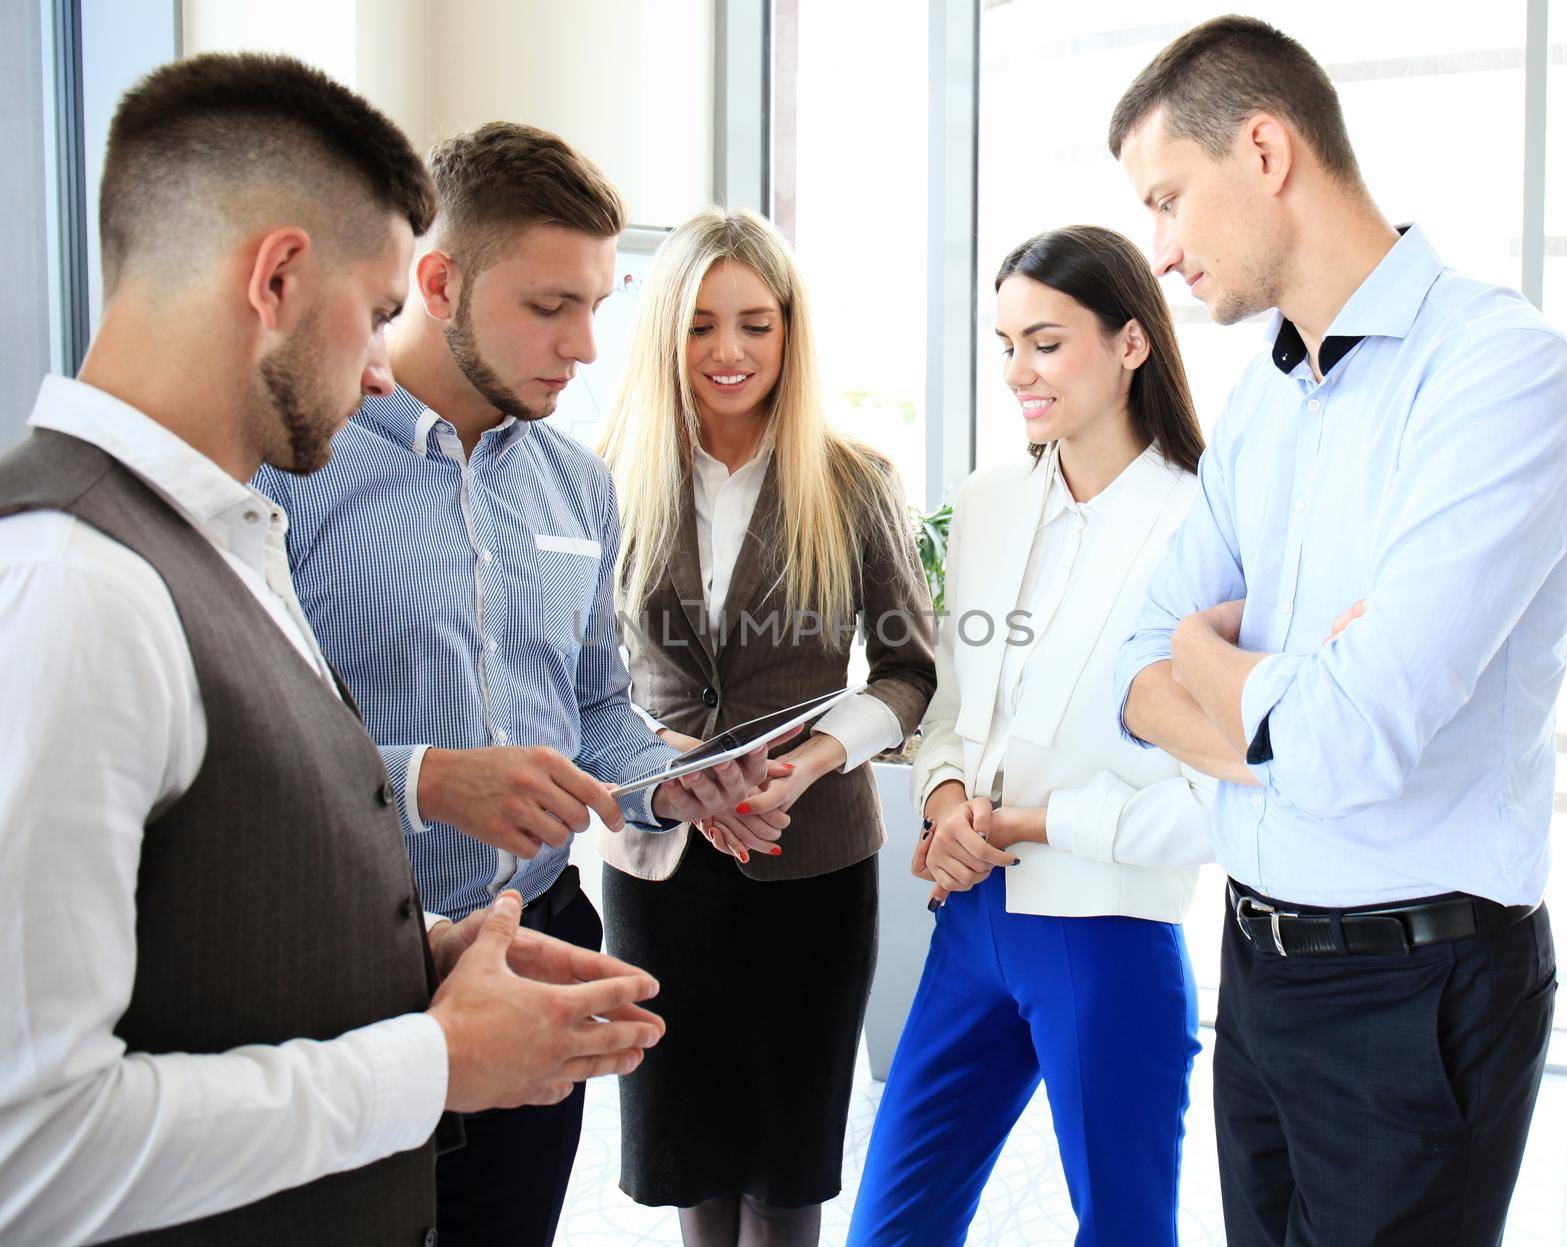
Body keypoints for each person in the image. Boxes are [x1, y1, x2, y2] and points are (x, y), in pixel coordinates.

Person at [0, 54, 666, 1246]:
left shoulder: (216, 536)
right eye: (375, 313)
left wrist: (430, 953)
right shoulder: (72, 584)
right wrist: (433, 1059)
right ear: (277, 279)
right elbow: (26, 1151)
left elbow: (225, 896)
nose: (376, 370)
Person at [1108, 17, 1567, 1246]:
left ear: (1264, 149)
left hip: (1419, 989)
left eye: (1168, 200)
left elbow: (1354, 736)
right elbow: (1128, 666)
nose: (1158, 253)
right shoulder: (1267, 399)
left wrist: (1214, 674)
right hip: (1258, 959)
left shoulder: (1500, 372)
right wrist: (1274, 693)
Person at [253, 122, 772, 1245]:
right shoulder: (292, 475)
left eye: (597, 301)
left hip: (540, 937)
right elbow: (248, 750)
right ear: (437, 283)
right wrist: (429, 779)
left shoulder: (577, 489)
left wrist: (671, 784)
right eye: (549, 306)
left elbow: (592, 708)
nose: (586, 344)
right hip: (352, 973)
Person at [846, 226, 1223, 1247]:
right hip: (970, 923)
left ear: (1133, 343)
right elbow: (954, 714)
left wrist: (1024, 819)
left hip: (1109, 937)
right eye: (1006, 341)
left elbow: (1211, 800)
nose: (1017, 370)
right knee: (888, 1227)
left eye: (1046, 342)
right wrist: (945, 803)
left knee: (1124, 1232)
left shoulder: (1205, 526)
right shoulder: (989, 500)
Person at [593, 206, 936, 1247]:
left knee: (790, 1166)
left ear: (790, 331)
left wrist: (815, 760)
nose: (729, 351)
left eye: (754, 321)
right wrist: (677, 779)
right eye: (699, 324)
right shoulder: (602, 476)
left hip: (811, 860)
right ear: (664, 336)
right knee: (689, 1156)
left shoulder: (851, 481)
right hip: (659, 862)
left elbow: (911, 672)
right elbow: (579, 680)